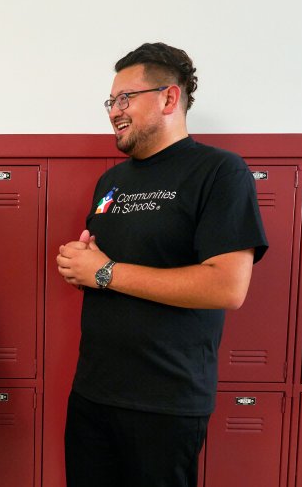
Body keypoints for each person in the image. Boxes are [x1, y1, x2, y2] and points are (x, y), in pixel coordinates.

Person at [57, 42, 267, 487]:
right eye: (110, 101)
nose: (114, 111)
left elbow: (227, 286)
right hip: (94, 394)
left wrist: (105, 272)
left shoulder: (219, 172)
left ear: (169, 98)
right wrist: (83, 267)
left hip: (166, 403)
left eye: (125, 98)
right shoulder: (112, 182)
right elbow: (107, 268)